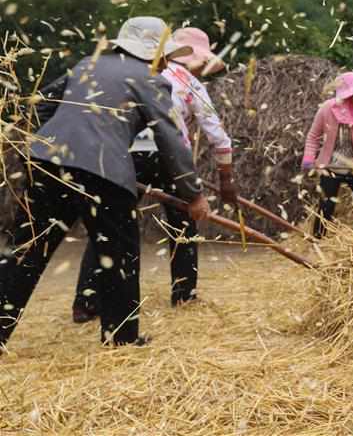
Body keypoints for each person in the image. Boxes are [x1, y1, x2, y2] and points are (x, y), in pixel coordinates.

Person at [0, 17, 210, 351]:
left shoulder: (87, 63)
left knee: (27, 250)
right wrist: (194, 194)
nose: (166, 62)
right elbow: (170, 139)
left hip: (47, 164)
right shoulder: (150, 79)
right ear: (153, 52)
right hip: (103, 172)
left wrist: (46, 141)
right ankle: (121, 339)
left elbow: (42, 102)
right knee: (118, 252)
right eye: (165, 55)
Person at [72, 27, 237, 321]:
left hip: (124, 154)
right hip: (167, 157)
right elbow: (217, 135)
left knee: (109, 224)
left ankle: (86, 301)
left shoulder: (135, 73)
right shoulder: (189, 82)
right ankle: (184, 294)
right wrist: (226, 179)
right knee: (183, 224)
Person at [302, 72, 353, 238]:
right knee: (326, 207)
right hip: (330, 167)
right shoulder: (327, 109)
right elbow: (313, 136)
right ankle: (317, 240)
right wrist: (309, 158)